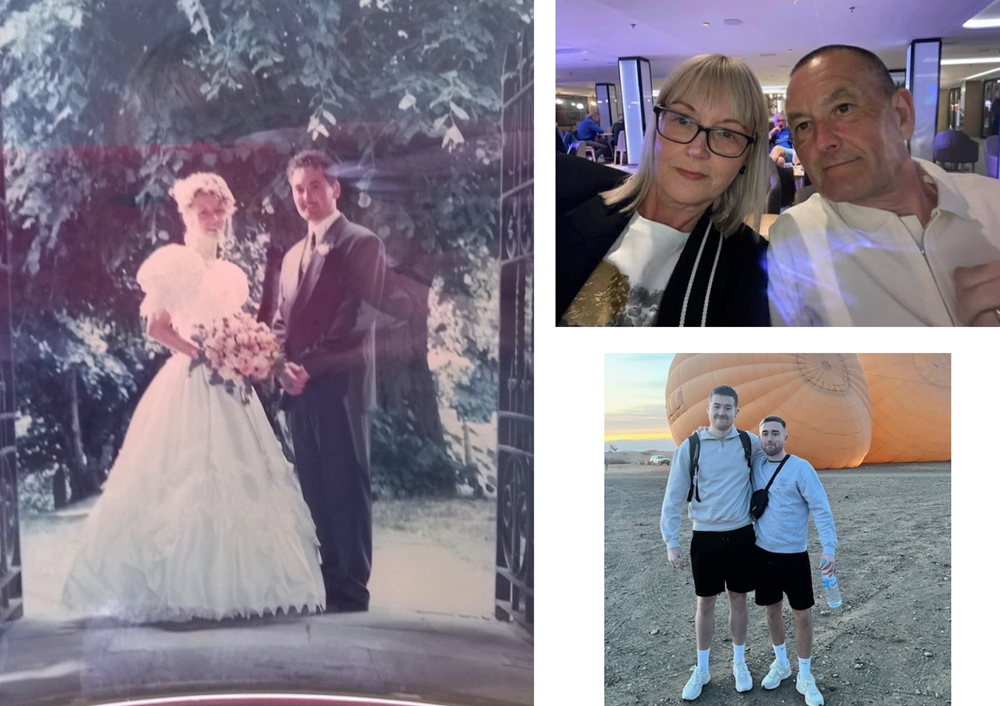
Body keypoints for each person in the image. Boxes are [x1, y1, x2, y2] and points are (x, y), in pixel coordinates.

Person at [62, 173, 325, 622]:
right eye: (203, 211)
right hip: (188, 379)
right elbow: (156, 327)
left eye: (219, 211)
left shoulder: (230, 274)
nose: (213, 218)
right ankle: (177, 589)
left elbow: (235, 327)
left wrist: (247, 354)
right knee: (186, 478)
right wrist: (203, 353)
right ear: (187, 214)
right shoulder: (176, 263)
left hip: (229, 386)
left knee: (239, 476)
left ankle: (235, 589)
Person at [767, 44, 1000, 326]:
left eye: (843, 109)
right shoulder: (795, 239)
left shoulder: (992, 201)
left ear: (902, 114)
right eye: (803, 125)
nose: (822, 141)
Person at [556, 54, 770, 327]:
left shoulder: (753, 268)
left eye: (726, 133)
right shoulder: (559, 188)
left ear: (748, 156)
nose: (697, 150)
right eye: (683, 120)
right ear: (656, 126)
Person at [273, 150, 386, 613]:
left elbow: (356, 317)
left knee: (345, 486)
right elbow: (281, 323)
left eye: (315, 186)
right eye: (299, 189)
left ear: (335, 188)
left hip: (341, 386)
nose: (306, 197)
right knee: (314, 488)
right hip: (298, 390)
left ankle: (352, 588)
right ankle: (325, 579)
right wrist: (281, 366)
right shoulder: (291, 256)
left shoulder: (361, 243)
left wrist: (310, 367)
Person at [660, 385, 765, 700]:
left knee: (739, 600)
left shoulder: (749, 442)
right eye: (716, 406)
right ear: (707, 409)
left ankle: (739, 662)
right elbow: (673, 495)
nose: (722, 412)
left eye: (728, 407)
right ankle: (702, 668)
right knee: (704, 603)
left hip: (741, 534)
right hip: (705, 537)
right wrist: (671, 541)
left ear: (736, 411)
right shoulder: (691, 446)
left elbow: (776, 453)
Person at [753, 416, 837, 706]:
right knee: (772, 611)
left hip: (794, 556)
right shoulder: (755, 466)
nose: (770, 439)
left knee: (802, 615)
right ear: (759, 438)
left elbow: (821, 508)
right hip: (763, 554)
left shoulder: (801, 468)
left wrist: (828, 548)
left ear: (785, 437)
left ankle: (805, 673)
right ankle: (781, 663)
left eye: (775, 433)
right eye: (765, 433)